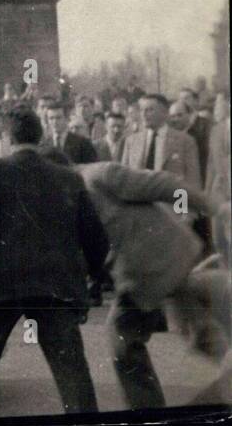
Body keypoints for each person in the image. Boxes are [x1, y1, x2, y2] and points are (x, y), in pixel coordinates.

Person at [0, 106, 110, 419]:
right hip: (55, 285)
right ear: (42, 136)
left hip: (1, 282)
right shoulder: (69, 177)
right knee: (72, 372)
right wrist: (91, 278)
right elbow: (96, 238)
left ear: (7, 137)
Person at [71, 159, 224, 410]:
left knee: (123, 339)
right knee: (198, 334)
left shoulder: (99, 176)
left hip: (162, 260)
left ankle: (147, 414)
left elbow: (164, 185)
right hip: (142, 275)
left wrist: (211, 205)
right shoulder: (69, 199)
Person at [121, 95, 201, 196]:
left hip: (171, 204)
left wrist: (183, 210)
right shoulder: (131, 141)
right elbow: (123, 178)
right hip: (139, 205)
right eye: (142, 110)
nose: (144, 114)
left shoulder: (185, 141)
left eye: (150, 110)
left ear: (164, 113)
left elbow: (193, 181)